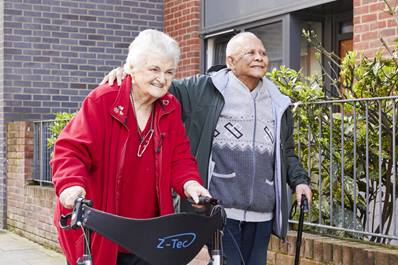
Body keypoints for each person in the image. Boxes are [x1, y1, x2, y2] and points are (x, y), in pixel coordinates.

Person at [102, 32, 312, 265]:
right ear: (230, 61)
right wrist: (129, 74)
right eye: (250, 53)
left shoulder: (278, 102)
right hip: (219, 211)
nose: (259, 58)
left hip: (262, 213)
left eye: (262, 53)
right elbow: (160, 86)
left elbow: (287, 150)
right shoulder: (204, 89)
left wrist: (300, 180)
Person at [51, 29, 211, 265]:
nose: (163, 78)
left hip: (148, 231)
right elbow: (70, 150)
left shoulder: (170, 106)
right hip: (104, 225)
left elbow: (180, 157)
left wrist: (190, 183)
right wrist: (71, 185)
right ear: (131, 68)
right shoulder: (103, 100)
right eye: (154, 69)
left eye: (169, 72)